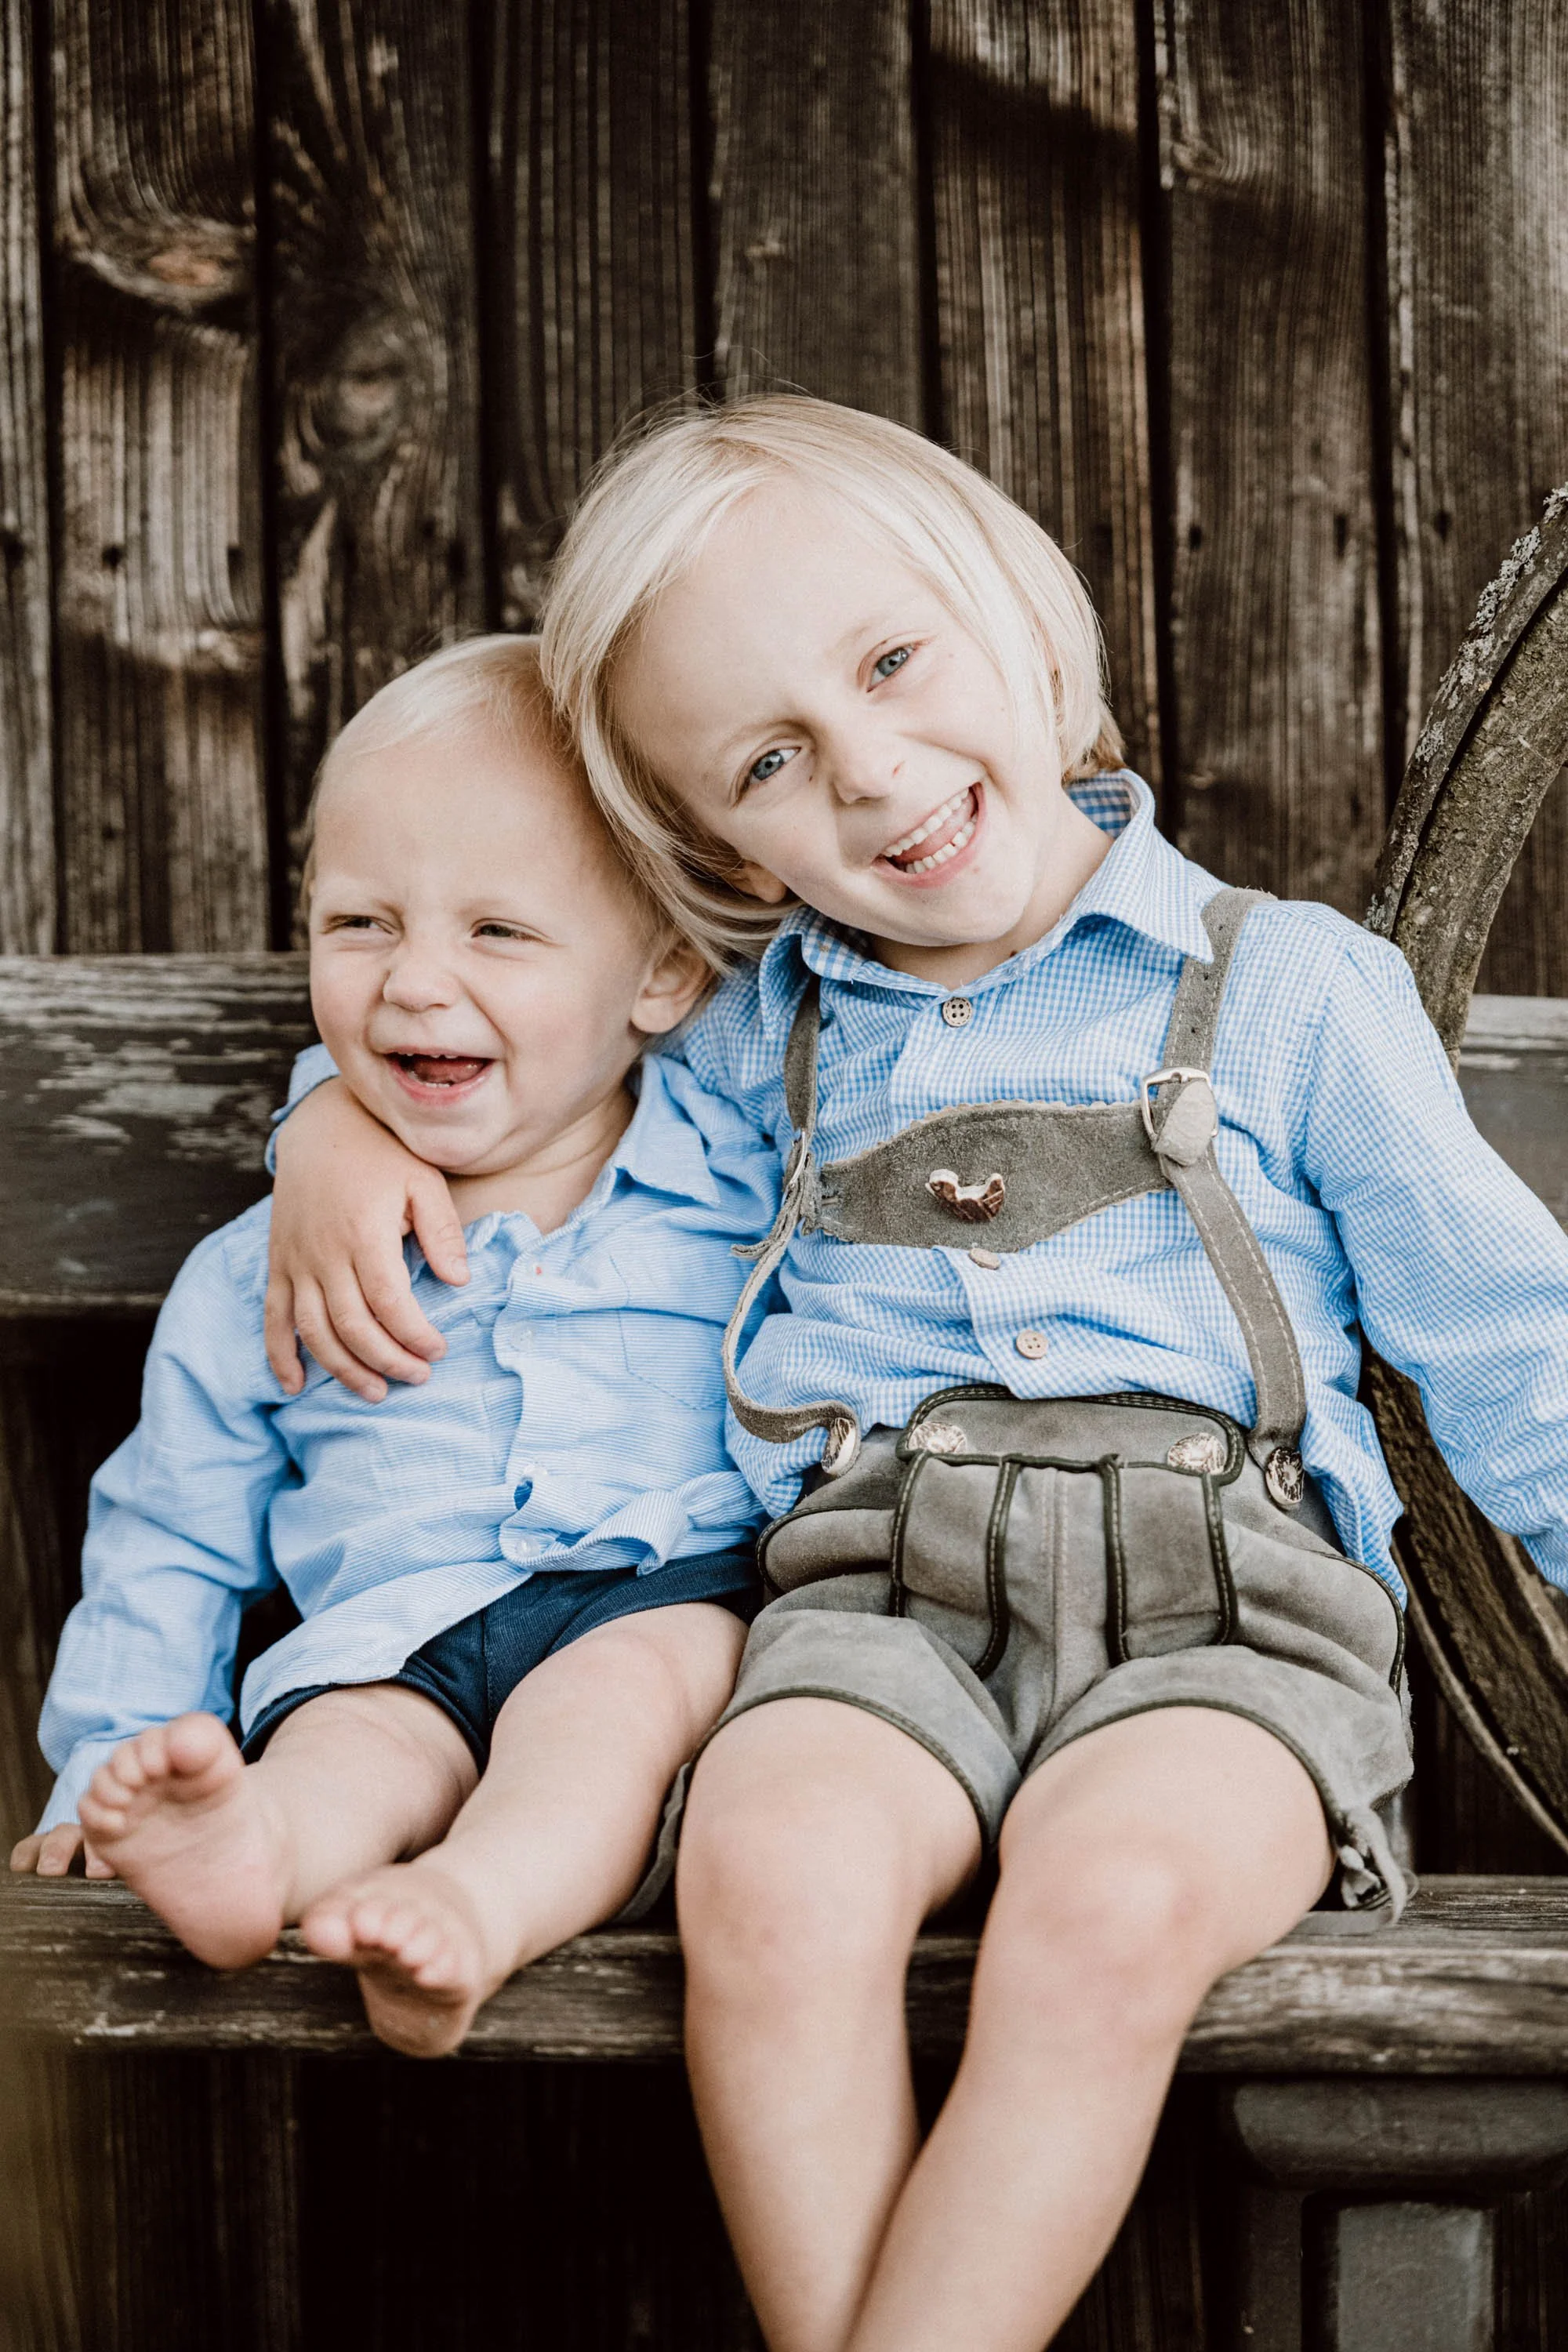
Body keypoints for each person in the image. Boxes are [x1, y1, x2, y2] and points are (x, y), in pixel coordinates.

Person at [256, 399, 1568, 2352]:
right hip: (872, 1607)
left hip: (1233, 1625)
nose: (869, 773)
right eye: (770, 761)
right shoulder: (746, 1033)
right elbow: (501, 1074)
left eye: (890, 663)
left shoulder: (1285, 990)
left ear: (1022, 619)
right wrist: (328, 1135)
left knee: (1102, 1912)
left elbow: (1511, 1345)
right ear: (708, 840)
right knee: (768, 1879)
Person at [10, 634, 778, 2061]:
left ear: (664, 971)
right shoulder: (256, 1273)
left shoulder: (748, 1179)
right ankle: (255, 1862)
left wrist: (315, 1113)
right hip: (387, 1638)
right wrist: (92, 1784)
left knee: (608, 1713)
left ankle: (474, 1908)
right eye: (360, 924)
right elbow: (168, 1542)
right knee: (340, 1747)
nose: (416, 984)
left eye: (499, 932)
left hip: (654, 1602)